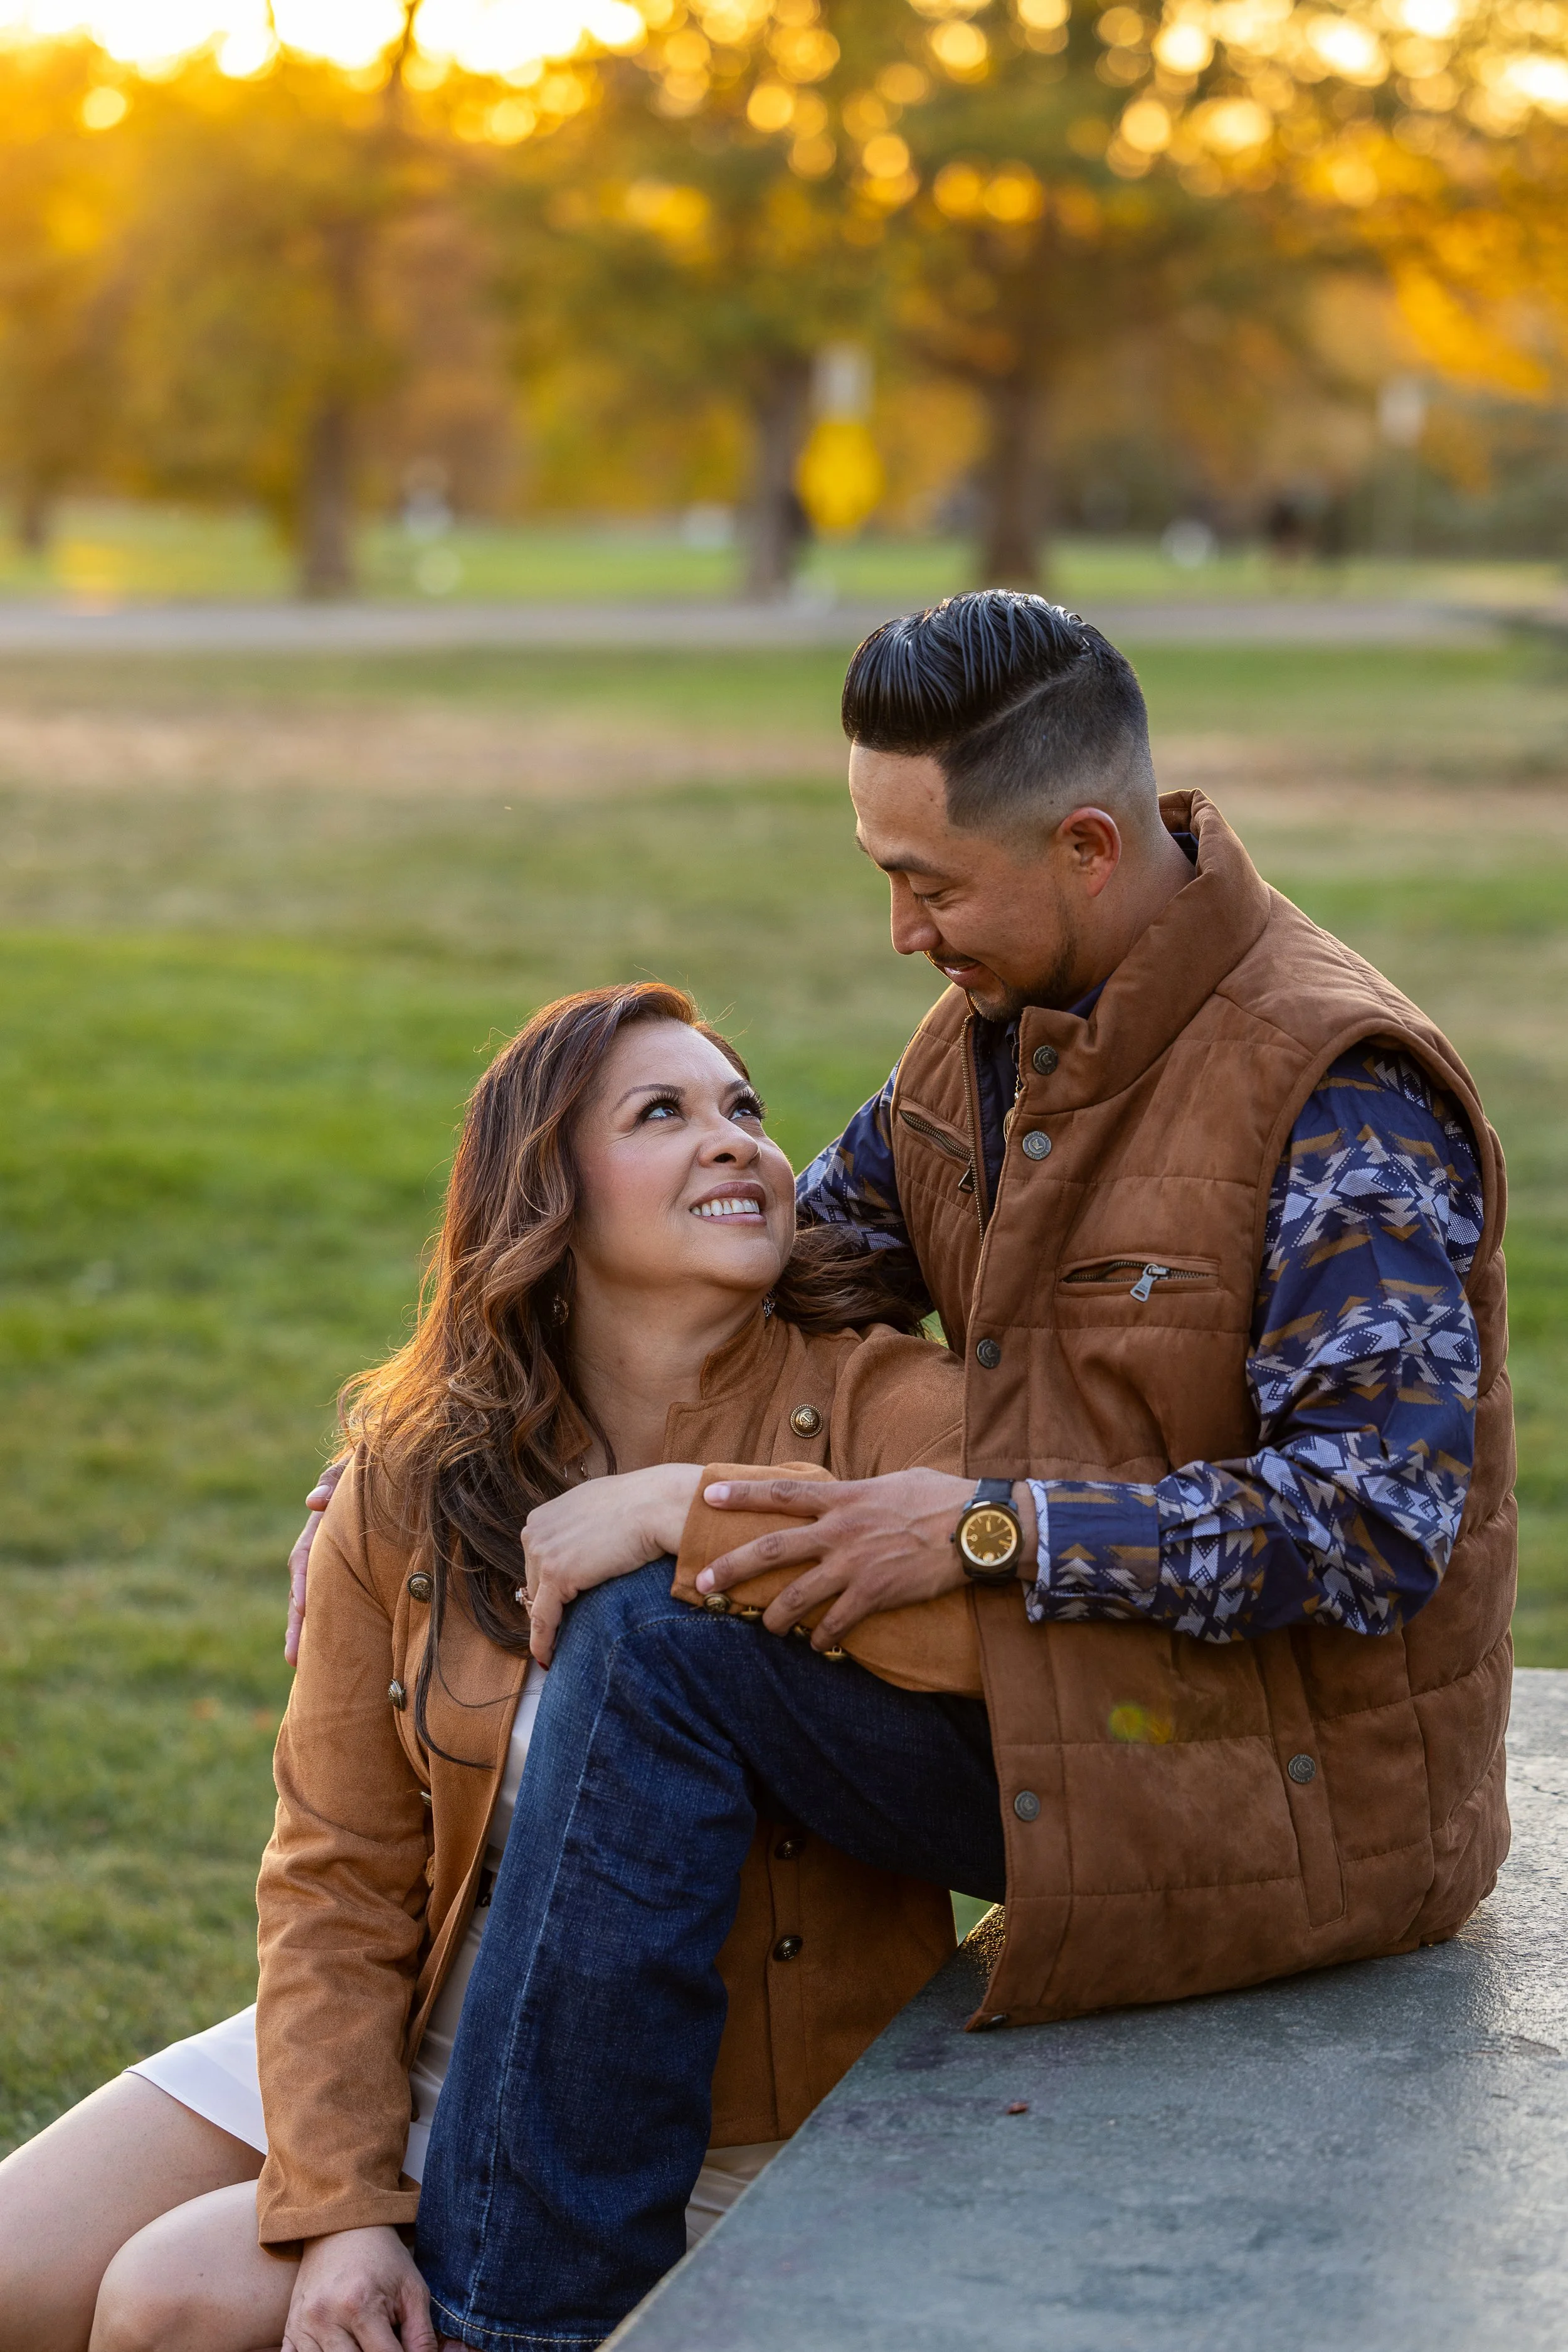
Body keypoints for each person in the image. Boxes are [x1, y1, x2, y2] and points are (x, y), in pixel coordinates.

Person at [387, 592, 1512, 2349]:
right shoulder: (979, 1043)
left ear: (1082, 844)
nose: (900, 928)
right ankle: (552, 2280)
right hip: (1077, 1715)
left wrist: (985, 1525)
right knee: (656, 1626)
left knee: (655, 1656)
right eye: (881, 873)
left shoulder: (1334, 1089)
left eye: (930, 882)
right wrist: (432, 1448)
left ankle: (519, 2318)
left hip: (1287, 1784)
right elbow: (777, 1255)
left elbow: (1372, 1525)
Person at [0, 982, 978, 2352]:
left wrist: (701, 1509)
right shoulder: (418, 1467)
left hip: (706, 2088)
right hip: (426, 2009)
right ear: (547, 1197)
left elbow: (1020, 1663)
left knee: (175, 2299)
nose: (736, 1141)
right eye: (664, 1111)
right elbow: (335, 1866)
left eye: (744, 1109)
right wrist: (342, 2206)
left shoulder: (891, 1409)